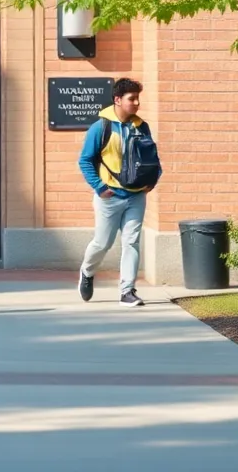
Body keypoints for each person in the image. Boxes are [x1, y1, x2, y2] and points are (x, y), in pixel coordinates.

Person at [77, 78, 162, 308]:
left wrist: (153, 180)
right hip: (109, 196)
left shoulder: (141, 126)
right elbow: (84, 160)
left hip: (136, 196)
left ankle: (127, 291)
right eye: (131, 99)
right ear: (117, 100)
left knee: (131, 242)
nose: (136, 103)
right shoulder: (101, 127)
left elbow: (152, 157)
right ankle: (87, 270)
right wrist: (100, 187)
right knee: (102, 243)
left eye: (137, 98)